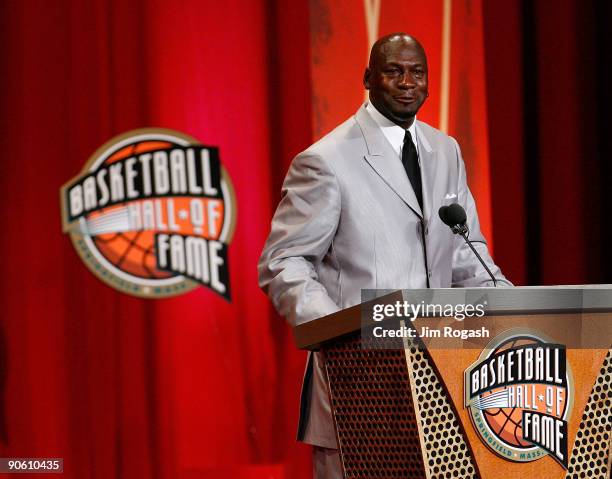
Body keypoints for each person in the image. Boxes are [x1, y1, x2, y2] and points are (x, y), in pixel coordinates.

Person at [258, 33, 511, 479]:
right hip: (361, 386)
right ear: (368, 78)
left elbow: (467, 254)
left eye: (417, 72)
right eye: (394, 72)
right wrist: (338, 334)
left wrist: (513, 316)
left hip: (444, 386)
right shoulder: (326, 160)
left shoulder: (446, 150)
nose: (407, 82)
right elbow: (284, 262)